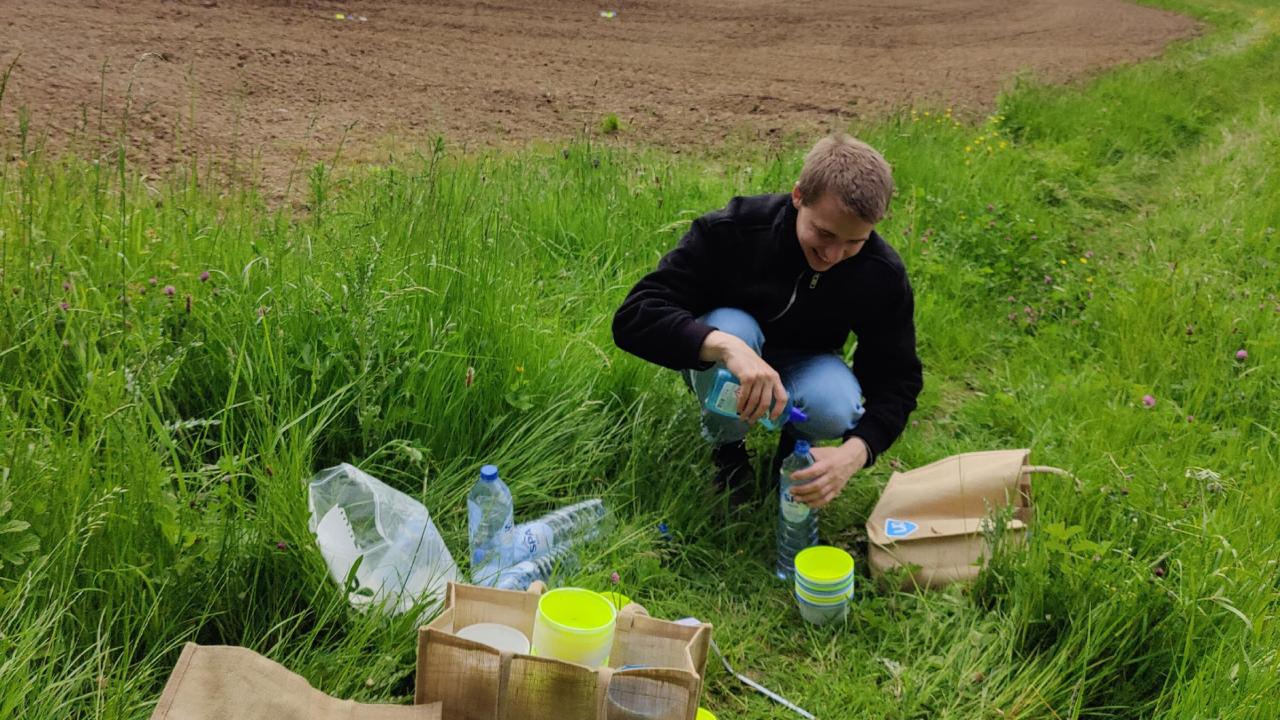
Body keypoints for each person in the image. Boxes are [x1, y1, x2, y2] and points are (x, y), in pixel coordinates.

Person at [612, 133, 923, 509]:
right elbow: (634, 316)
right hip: (728, 355)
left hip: (808, 360)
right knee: (733, 327)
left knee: (838, 404)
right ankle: (727, 448)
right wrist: (727, 348)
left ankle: (795, 446)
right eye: (823, 233)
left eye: (853, 242)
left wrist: (855, 452)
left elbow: (897, 379)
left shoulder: (881, 274)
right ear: (798, 197)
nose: (833, 254)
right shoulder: (733, 231)